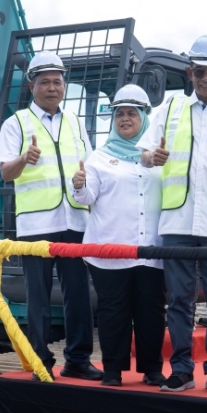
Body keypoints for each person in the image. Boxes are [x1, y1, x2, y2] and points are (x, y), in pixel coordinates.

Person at [138, 34, 207, 394]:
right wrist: (150, 158)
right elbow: (144, 152)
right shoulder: (168, 110)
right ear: (189, 73)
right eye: (200, 71)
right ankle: (183, 369)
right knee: (179, 300)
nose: (206, 78)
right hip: (177, 219)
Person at [0, 51, 102, 381]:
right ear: (32, 86)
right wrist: (25, 158)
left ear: (64, 85)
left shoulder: (74, 123)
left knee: (79, 295)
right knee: (38, 297)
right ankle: (40, 361)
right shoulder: (16, 124)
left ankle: (78, 360)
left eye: (57, 81)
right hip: (37, 224)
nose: (52, 87)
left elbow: (91, 165)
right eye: (45, 82)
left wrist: (88, 183)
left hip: (75, 221)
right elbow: (5, 174)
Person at [71, 85, 165, 387]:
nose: (125, 119)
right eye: (119, 113)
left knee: (151, 313)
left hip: (151, 250)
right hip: (110, 252)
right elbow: (87, 198)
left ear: (144, 117)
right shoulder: (98, 158)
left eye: (131, 113)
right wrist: (79, 184)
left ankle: (152, 369)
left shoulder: (159, 158)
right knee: (114, 314)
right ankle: (113, 370)